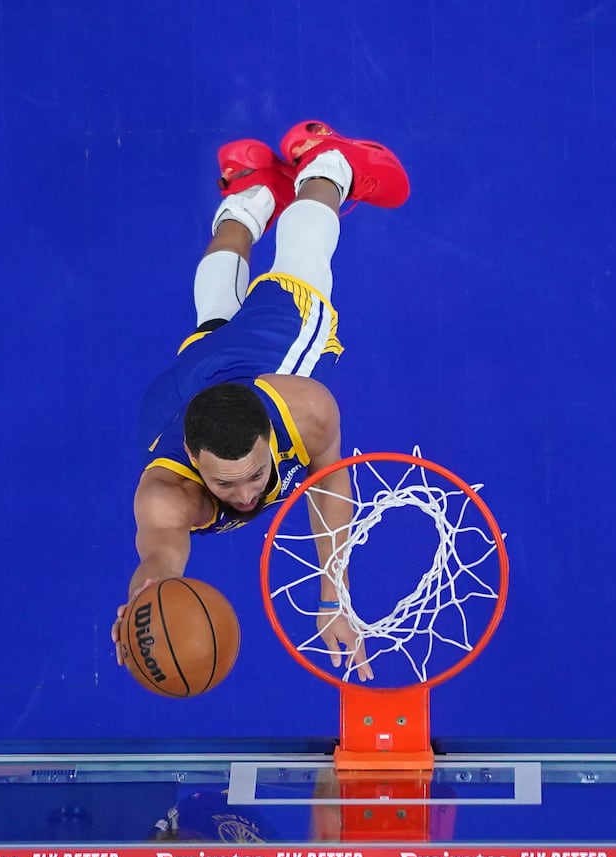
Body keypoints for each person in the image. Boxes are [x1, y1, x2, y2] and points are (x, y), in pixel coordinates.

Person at [113, 121, 410, 682]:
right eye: (225, 485)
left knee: (300, 270)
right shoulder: (167, 496)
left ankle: (325, 164)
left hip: (260, 352)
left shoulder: (306, 408)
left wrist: (333, 595)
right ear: (195, 462)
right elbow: (157, 562)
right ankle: (249, 191)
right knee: (213, 321)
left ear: (270, 440)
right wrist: (144, 603)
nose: (248, 496)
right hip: (180, 391)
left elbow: (329, 481)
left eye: (254, 474)